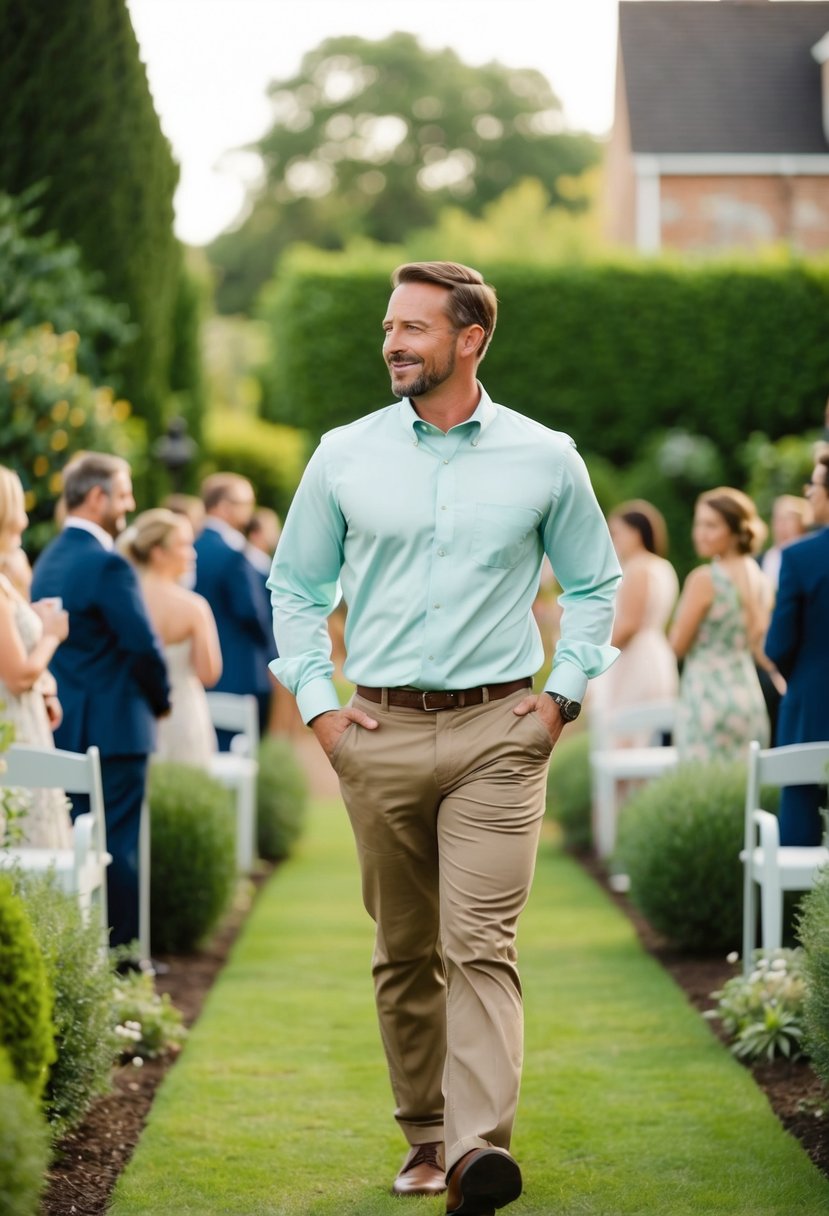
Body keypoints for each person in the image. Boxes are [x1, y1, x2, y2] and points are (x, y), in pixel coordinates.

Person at [268, 261, 621, 1214]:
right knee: (404, 948)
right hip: (373, 731)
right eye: (389, 326)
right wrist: (321, 710)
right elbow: (295, 588)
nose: (392, 342)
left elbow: (596, 584)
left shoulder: (547, 457)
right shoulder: (342, 454)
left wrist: (561, 699)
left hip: (499, 734)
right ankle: (423, 1136)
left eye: (414, 328)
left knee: (481, 944)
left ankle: (474, 1154)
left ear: (470, 340)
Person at [31, 452, 171, 949]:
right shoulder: (108, 563)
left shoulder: (46, 559)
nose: (129, 504)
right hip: (117, 729)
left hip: (64, 728)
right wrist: (162, 701)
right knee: (119, 849)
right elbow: (143, 647)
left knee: (79, 849)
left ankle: (86, 955)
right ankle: (126, 962)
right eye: (125, 491)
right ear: (97, 497)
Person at [669, 487, 775, 763]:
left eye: (711, 525)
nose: (700, 533)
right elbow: (760, 644)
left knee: (700, 792)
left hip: (706, 698)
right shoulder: (759, 578)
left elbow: (678, 647)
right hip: (748, 697)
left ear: (734, 531)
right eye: (699, 523)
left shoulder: (705, 579)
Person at [0, 465, 71, 847]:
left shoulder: (6, 580)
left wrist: (46, 686)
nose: (25, 520)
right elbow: (16, 675)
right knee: (26, 838)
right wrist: (51, 636)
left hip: (26, 716)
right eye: (18, 508)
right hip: (10, 723)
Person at [119, 509, 221, 768]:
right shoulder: (194, 608)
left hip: (135, 716)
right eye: (184, 545)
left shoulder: (125, 601)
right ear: (158, 552)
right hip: (183, 714)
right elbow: (208, 674)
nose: (193, 553)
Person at [764, 453, 829, 845]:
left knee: (800, 825)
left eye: (815, 485)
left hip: (810, 709)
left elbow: (778, 644)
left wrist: (803, 679)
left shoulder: (800, 557)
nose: (808, 492)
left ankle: (801, 908)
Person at [194, 474, 272, 747]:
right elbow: (252, 612)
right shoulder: (235, 554)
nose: (249, 511)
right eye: (244, 503)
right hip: (238, 668)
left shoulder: (190, 546)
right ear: (223, 506)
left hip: (197, 667)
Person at [589, 499, 679, 739]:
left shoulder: (638, 569)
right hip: (657, 652)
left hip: (635, 659)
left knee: (628, 735)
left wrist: (598, 660)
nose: (613, 540)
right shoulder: (663, 566)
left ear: (636, 533)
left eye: (617, 533)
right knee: (648, 734)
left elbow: (629, 625)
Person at [759, 495, 812, 592]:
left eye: (789, 519)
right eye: (778, 519)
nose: (782, 525)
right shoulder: (761, 560)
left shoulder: (811, 558)